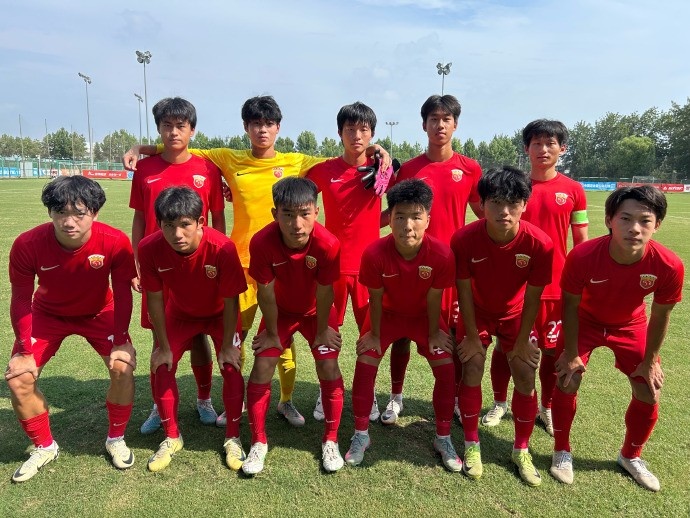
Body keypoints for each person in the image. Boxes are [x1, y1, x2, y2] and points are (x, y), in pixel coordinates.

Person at [124, 95, 390, 428]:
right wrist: (141, 148)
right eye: (255, 124)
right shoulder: (228, 158)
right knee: (238, 333)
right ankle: (239, 400)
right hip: (242, 264)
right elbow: (181, 145)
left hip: (286, 263)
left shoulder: (298, 161)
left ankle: (286, 400)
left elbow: (350, 154)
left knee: (285, 334)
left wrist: (378, 149)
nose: (262, 130)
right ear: (246, 127)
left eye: (268, 124)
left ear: (278, 127)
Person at [550, 186, 683, 492]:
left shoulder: (669, 265)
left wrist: (650, 361)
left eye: (645, 220)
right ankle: (561, 450)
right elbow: (569, 306)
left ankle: (631, 456)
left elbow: (661, 316)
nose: (634, 228)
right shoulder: (583, 255)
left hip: (630, 325)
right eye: (625, 218)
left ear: (657, 224)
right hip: (585, 321)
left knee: (648, 388)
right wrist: (571, 353)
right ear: (609, 220)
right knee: (568, 378)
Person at [5, 176, 137, 482]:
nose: (69, 222)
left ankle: (116, 438)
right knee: (19, 378)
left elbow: (123, 294)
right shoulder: (27, 244)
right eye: (60, 212)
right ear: (49, 212)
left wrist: (121, 340)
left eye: (79, 213)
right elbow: (21, 299)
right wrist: (24, 350)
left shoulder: (115, 241)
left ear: (95, 212)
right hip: (47, 314)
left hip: (99, 312)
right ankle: (44, 446)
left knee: (122, 367)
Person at [345, 178, 461, 472]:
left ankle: (443, 437)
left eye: (416, 217)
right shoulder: (374, 253)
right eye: (399, 217)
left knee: (446, 368)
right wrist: (374, 335)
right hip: (387, 316)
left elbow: (434, 300)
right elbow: (375, 299)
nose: (407, 225)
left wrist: (434, 334)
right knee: (365, 362)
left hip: (424, 318)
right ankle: (361, 434)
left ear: (428, 220)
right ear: (390, 218)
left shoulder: (442, 254)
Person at [381, 94, 482, 425]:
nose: (440, 125)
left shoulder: (470, 169)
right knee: (401, 335)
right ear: (423, 125)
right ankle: (396, 397)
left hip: (451, 268)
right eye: (433, 119)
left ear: (456, 124)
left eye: (446, 119)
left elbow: (484, 214)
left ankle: (455, 398)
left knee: (451, 334)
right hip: (409, 265)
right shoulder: (409, 169)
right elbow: (391, 214)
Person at [482, 120, 588, 434]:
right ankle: (499, 402)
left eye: (550, 143)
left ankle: (547, 407)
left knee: (552, 351)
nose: (543, 149)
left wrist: (581, 284)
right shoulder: (514, 188)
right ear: (526, 148)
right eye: (536, 143)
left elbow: (581, 241)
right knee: (505, 347)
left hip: (556, 287)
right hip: (516, 286)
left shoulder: (574, 190)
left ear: (562, 148)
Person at [130, 97, 226, 434]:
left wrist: (217, 263)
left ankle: (204, 399)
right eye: (166, 125)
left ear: (192, 130)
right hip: (158, 268)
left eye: (180, 126)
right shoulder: (145, 169)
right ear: (158, 129)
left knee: (199, 335)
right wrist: (137, 263)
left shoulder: (207, 169)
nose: (173, 132)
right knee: (160, 338)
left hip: (199, 268)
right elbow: (139, 219)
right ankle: (159, 406)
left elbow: (217, 219)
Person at [451, 166, 553, 485]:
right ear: (482, 204)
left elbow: (534, 298)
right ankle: (471, 444)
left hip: (516, 314)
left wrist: (522, 342)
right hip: (477, 312)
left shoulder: (540, 244)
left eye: (513, 203)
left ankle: (521, 449)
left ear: (525, 205)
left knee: (525, 373)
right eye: (495, 202)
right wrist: (470, 335)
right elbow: (463, 291)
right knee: (471, 366)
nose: (504, 211)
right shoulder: (464, 239)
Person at [138, 187, 247, 472]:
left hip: (220, 315)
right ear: (159, 224)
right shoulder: (149, 248)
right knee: (162, 365)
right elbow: (155, 299)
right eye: (168, 226)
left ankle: (233, 437)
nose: (177, 234)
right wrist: (162, 346)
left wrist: (228, 346)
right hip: (180, 314)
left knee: (231, 365)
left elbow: (231, 300)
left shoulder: (222, 247)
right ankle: (172, 437)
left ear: (201, 222)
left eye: (185, 224)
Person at [241, 177, 344, 475]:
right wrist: (273, 334)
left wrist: (323, 330)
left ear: (316, 212)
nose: (297, 224)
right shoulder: (261, 242)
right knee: (263, 365)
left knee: (328, 365)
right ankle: (258, 442)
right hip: (281, 313)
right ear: (275, 214)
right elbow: (265, 292)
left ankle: (331, 440)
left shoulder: (328, 243)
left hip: (316, 314)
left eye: (304, 214)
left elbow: (325, 291)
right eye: (288, 214)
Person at [306, 101, 389, 423]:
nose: (357, 135)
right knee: (327, 330)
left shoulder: (382, 169)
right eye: (350, 129)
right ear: (339, 133)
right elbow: (298, 198)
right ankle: (325, 389)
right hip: (334, 265)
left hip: (371, 267)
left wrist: (375, 225)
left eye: (364, 130)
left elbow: (403, 203)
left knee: (371, 332)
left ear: (372, 134)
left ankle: (367, 392)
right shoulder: (323, 170)